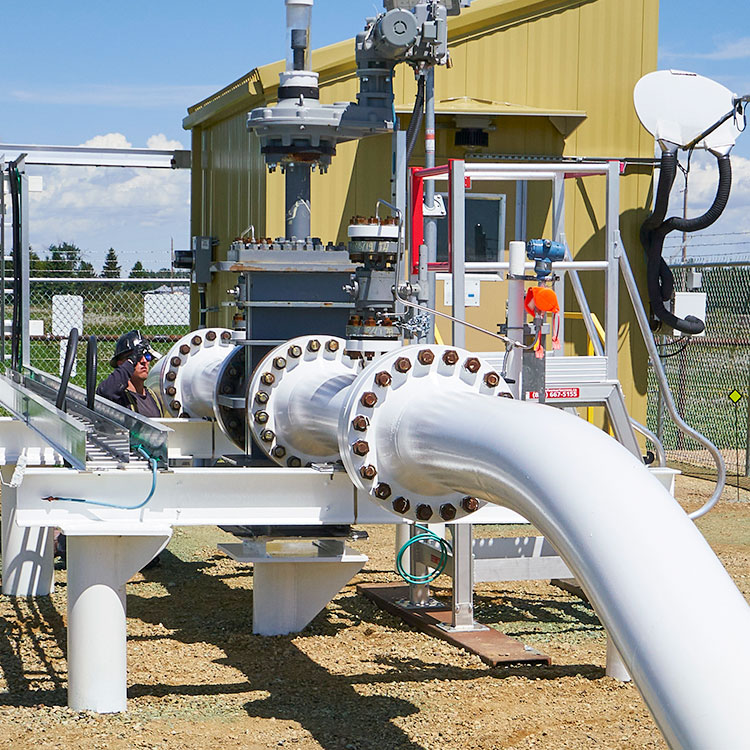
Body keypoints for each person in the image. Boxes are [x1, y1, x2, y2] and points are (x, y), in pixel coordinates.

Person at [96, 330, 166, 417]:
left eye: (147, 356)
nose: (144, 361)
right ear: (121, 363)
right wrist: (132, 361)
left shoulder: (154, 397)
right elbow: (105, 392)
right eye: (138, 357)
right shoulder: (120, 399)